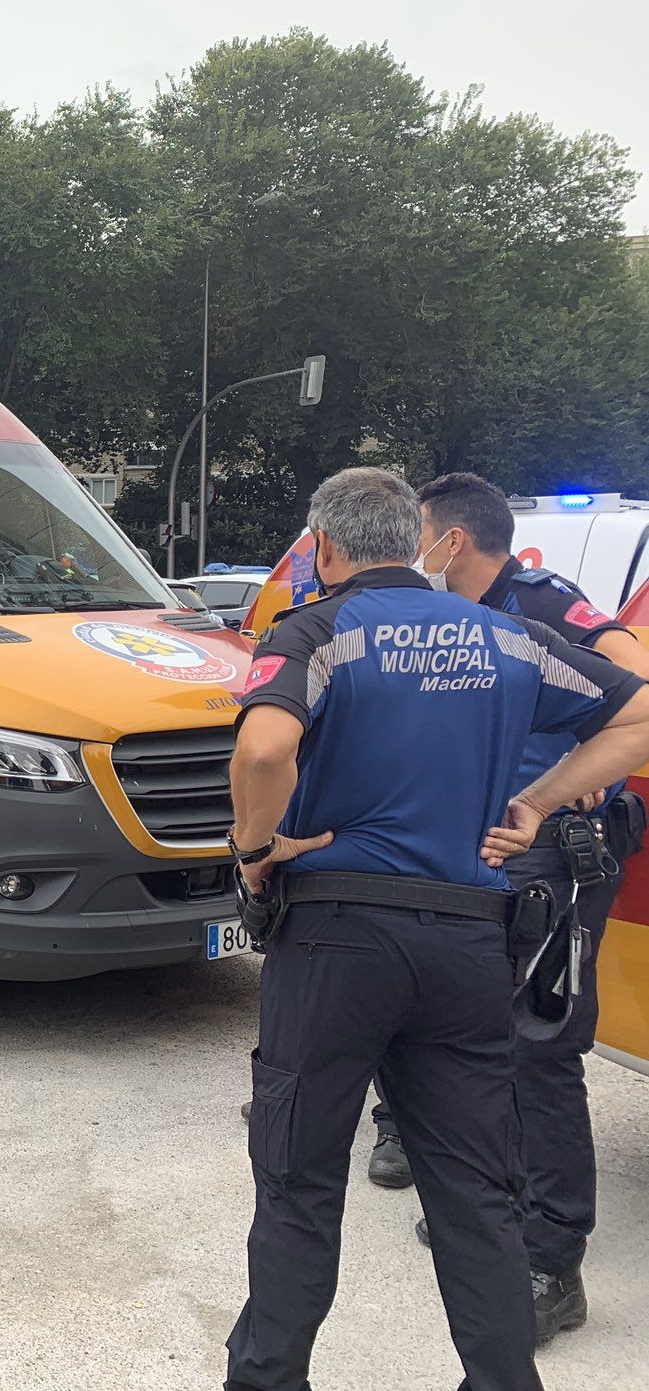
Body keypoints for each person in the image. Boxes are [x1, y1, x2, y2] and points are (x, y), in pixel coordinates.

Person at [224, 467, 649, 1391]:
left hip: (336, 940)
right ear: (413, 543)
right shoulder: (511, 636)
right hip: (465, 945)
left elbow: (262, 748)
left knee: (300, 1182)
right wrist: (537, 803)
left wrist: (254, 850)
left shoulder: (317, 630)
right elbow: (641, 715)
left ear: (327, 548)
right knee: (479, 1196)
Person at [386, 471, 649, 1337]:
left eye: (415, 529)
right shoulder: (447, 618)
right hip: (494, 854)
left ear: (449, 538)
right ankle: (506, 1217)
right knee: (487, 1040)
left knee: (541, 1050)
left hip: (557, 856)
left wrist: (562, 785)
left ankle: (551, 1266)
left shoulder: (533, 600)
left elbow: (639, 684)